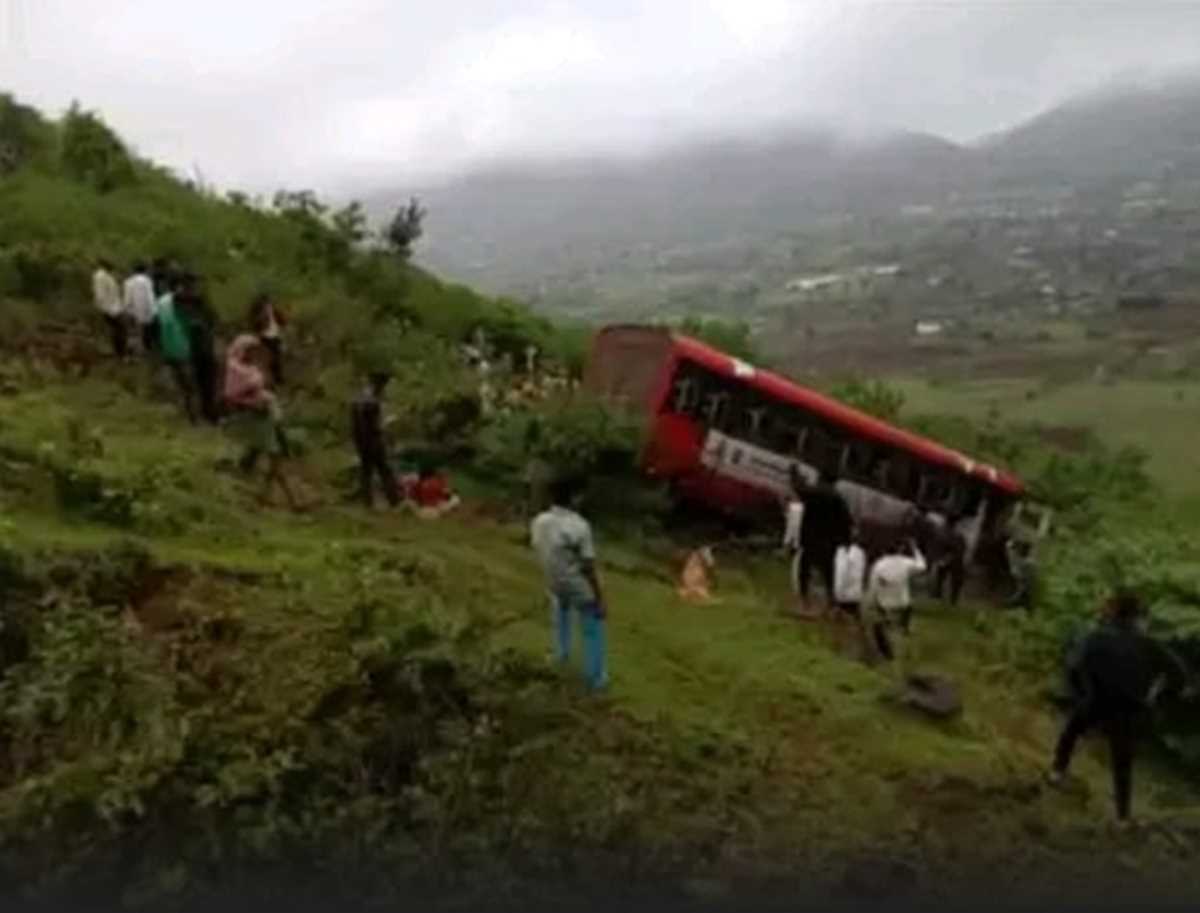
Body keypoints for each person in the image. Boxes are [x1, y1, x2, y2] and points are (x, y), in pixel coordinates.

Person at [1047, 591, 1189, 827]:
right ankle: (1122, 816)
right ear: (1137, 617)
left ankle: (1057, 771)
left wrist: (1083, 691)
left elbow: (1074, 666)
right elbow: (1180, 676)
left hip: (1097, 701)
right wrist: (1157, 695)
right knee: (1122, 762)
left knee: (1071, 729)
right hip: (1131, 708)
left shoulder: (1096, 637)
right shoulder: (1149, 644)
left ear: (1114, 613)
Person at [531, 476, 608, 692]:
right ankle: (596, 677)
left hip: (554, 580)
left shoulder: (539, 521)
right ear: (575, 497)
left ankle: (560, 655)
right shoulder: (579, 526)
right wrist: (600, 597)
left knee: (561, 617)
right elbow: (588, 566)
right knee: (593, 627)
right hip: (577, 584)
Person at [223, 334, 301, 511]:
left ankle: (268, 496)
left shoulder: (251, 368)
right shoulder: (235, 369)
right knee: (275, 456)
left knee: (274, 456)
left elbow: (261, 386)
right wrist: (252, 402)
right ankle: (289, 499)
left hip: (267, 415)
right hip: (255, 417)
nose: (252, 353)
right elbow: (231, 396)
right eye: (249, 350)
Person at [864, 539, 927, 674]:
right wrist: (916, 550)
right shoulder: (906, 563)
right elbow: (922, 566)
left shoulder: (879, 565)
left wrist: (871, 602)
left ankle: (888, 656)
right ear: (900, 550)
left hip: (885, 605)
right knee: (901, 631)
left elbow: (873, 587)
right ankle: (904, 656)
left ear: (884, 551)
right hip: (903, 605)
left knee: (880, 629)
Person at [796, 468, 853, 614]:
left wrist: (795, 475)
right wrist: (846, 541)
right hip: (829, 541)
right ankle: (831, 602)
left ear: (820, 477)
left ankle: (804, 599)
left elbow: (800, 491)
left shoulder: (813, 492)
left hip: (810, 538)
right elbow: (846, 521)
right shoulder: (838, 498)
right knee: (828, 572)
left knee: (805, 568)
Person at [174, 272, 221, 424]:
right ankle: (203, 416)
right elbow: (213, 320)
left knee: (202, 384)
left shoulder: (194, 302)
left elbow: (213, 320)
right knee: (199, 385)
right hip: (196, 348)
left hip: (198, 348)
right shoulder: (183, 302)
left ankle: (205, 415)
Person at [350, 372, 400, 509]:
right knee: (384, 471)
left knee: (366, 473)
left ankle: (367, 503)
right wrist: (387, 424)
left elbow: (355, 427)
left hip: (362, 444)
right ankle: (394, 501)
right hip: (374, 442)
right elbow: (377, 425)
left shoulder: (356, 402)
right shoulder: (372, 403)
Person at [155, 273, 197, 424]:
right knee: (190, 385)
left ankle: (185, 414)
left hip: (168, 348)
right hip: (182, 349)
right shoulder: (183, 303)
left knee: (180, 383)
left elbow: (157, 324)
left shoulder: (161, 302)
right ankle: (192, 417)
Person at [833, 527, 870, 656]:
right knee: (857, 620)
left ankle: (843, 648)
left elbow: (841, 574)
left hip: (845, 594)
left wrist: (837, 593)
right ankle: (864, 646)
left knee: (841, 622)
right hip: (856, 592)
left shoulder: (843, 553)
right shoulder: (860, 553)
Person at [92, 258, 127, 358]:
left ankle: (119, 352)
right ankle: (120, 353)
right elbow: (100, 295)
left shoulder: (106, 275)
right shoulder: (100, 276)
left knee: (118, 330)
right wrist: (106, 309)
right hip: (111, 309)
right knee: (120, 330)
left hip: (114, 308)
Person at [248, 293, 286, 386]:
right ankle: (268, 379)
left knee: (276, 358)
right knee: (268, 359)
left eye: (269, 303)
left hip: (275, 335)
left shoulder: (273, 310)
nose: (268, 305)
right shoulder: (259, 312)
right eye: (267, 303)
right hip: (265, 336)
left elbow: (281, 319)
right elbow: (256, 324)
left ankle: (277, 378)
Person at [122, 261, 157, 355]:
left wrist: (126, 309)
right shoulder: (147, 280)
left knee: (134, 332)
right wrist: (154, 310)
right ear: (145, 270)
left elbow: (127, 298)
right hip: (146, 311)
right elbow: (150, 297)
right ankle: (145, 349)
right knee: (145, 331)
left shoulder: (128, 282)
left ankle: (134, 350)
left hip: (132, 311)